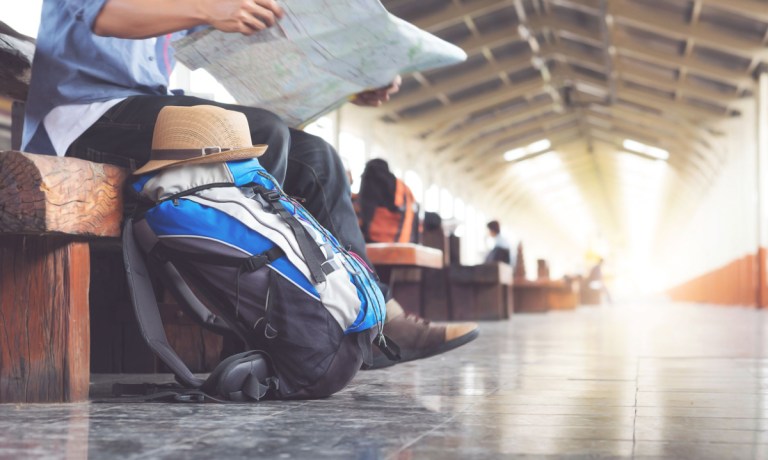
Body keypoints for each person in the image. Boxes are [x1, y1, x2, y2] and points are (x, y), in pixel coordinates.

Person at [22, 0, 478, 369]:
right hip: (81, 118)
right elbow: (104, 15)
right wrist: (206, 8)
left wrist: (351, 82)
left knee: (319, 159)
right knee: (261, 134)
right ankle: (260, 330)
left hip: (144, 110)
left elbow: (240, 51)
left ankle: (374, 322)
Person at [358, 158, 419, 244]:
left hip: (373, 243)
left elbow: (365, 212)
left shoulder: (370, 178)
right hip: (403, 242)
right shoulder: (403, 188)